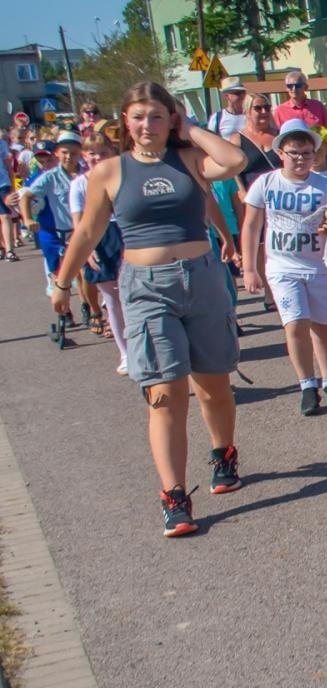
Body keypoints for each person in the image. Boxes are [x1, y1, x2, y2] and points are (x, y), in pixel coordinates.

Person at [50, 82, 249, 536]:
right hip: (146, 288)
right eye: (139, 116)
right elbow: (86, 234)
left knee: (214, 384)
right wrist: (62, 283)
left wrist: (189, 126)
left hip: (201, 280)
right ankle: (175, 496)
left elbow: (236, 161)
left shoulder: (191, 160)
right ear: (125, 120)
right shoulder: (109, 172)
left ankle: (223, 454)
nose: (147, 125)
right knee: (164, 393)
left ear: (170, 119)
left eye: (157, 116)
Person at [240, 120, 327, 416]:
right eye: (293, 153)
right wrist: (249, 268)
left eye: (306, 153)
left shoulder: (325, 186)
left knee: (322, 326)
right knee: (296, 323)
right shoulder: (266, 183)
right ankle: (306, 384)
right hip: (281, 266)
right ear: (280, 154)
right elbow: (251, 226)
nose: (300, 159)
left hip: (316, 266)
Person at [72, 133, 128, 367]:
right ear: (84, 156)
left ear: (113, 153)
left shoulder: (122, 177)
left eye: (103, 152)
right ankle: (125, 353)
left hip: (123, 235)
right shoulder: (79, 184)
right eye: (92, 153)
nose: (97, 157)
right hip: (98, 239)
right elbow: (80, 223)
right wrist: (89, 249)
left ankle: (139, 344)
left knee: (130, 296)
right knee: (111, 299)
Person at [18, 141, 77, 316]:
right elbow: (24, 200)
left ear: (56, 156)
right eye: (40, 160)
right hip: (49, 229)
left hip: (72, 228)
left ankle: (89, 306)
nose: (45, 163)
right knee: (56, 271)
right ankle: (64, 312)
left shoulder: (73, 174)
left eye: (48, 159)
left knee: (80, 271)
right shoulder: (35, 179)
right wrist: (27, 218)